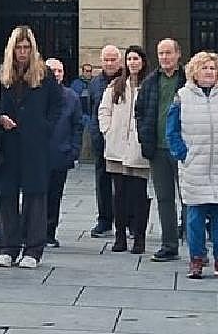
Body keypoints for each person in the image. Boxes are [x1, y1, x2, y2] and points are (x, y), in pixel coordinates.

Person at [167, 50, 218, 279]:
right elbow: (172, 131)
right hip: (196, 166)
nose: (209, 72)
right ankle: (196, 259)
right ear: (194, 71)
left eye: (213, 68)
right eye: (204, 68)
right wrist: (184, 155)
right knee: (195, 217)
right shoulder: (182, 97)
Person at [0, 26, 61, 269]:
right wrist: (0, 118)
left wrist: (45, 127)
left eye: (26, 48)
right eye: (19, 48)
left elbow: (57, 105)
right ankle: (7, 248)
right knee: (7, 196)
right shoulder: (0, 74)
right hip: (8, 143)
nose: (22, 52)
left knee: (35, 196)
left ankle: (33, 249)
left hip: (35, 144)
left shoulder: (44, 75)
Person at [135, 37, 186, 262]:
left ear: (178, 55)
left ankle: (195, 246)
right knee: (164, 198)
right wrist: (144, 136)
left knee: (189, 198)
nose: (165, 57)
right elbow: (140, 111)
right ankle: (169, 245)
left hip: (183, 149)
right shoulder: (150, 82)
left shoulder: (188, 80)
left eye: (168, 53)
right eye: (161, 53)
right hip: (158, 148)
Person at [100, 44, 152, 254]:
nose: (133, 63)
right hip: (117, 148)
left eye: (136, 59)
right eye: (129, 59)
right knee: (119, 195)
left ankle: (139, 238)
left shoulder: (149, 85)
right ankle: (120, 237)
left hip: (139, 149)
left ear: (143, 62)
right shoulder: (116, 85)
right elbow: (104, 110)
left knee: (139, 195)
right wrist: (108, 130)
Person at [44, 57, 83, 248]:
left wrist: (74, 151)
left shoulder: (71, 97)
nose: (56, 74)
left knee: (54, 196)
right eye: (52, 71)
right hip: (37, 155)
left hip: (61, 153)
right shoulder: (36, 94)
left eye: (59, 71)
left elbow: (77, 126)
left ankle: (49, 233)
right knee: (35, 196)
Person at [87, 45, 123, 237]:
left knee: (125, 182)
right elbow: (92, 110)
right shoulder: (94, 83)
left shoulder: (128, 80)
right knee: (102, 181)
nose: (109, 63)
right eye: (106, 60)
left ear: (120, 60)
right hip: (101, 139)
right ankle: (104, 220)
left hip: (122, 139)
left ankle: (128, 221)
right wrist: (95, 133)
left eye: (113, 59)